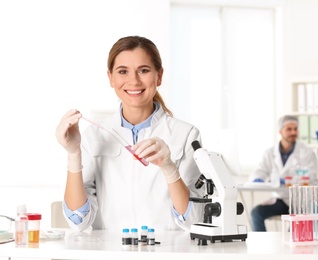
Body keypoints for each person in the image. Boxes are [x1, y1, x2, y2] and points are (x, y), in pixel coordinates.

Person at [55, 36, 205, 232]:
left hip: (167, 251)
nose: (133, 81)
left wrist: (169, 169)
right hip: (110, 251)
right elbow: (78, 220)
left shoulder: (186, 134)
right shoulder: (93, 136)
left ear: (159, 76)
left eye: (143, 70)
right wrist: (73, 155)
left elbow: (193, 220)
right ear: (111, 78)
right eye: (123, 71)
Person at [249, 115, 318, 231]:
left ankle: (290, 247)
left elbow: (311, 176)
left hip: (299, 201)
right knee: (256, 213)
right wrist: (257, 178)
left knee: (294, 227)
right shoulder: (270, 152)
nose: (293, 132)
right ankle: (261, 247)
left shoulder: (306, 152)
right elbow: (260, 170)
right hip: (279, 199)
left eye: (295, 129)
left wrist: (288, 181)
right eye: (289, 129)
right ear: (280, 131)